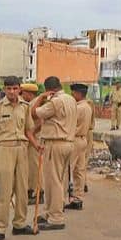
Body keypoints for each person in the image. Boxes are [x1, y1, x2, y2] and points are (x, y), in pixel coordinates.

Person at [0, 76, 41, 240]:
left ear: (19, 89)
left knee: (22, 190)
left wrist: (36, 145)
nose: (12, 92)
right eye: (8, 89)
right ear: (4, 89)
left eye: (15, 88)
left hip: (22, 149)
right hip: (4, 149)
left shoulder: (25, 107)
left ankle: (19, 224)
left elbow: (28, 130)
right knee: (4, 191)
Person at [31, 76, 78, 230]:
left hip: (55, 143)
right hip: (68, 142)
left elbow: (34, 113)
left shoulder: (55, 102)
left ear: (48, 90)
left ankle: (56, 217)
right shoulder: (71, 99)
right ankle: (49, 212)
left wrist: (40, 98)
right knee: (58, 180)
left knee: (54, 182)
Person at [67, 83, 94, 210]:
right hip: (83, 139)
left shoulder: (78, 108)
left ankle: (62, 199)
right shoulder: (87, 106)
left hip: (75, 139)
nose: (72, 95)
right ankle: (78, 198)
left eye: (73, 93)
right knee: (80, 170)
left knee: (68, 170)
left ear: (78, 93)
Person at [20, 83, 43, 202]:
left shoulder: (35, 103)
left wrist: (32, 133)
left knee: (35, 167)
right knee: (29, 167)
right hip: (30, 139)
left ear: (29, 93)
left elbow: (41, 122)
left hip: (35, 139)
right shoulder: (30, 103)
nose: (21, 95)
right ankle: (30, 190)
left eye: (23, 93)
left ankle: (38, 192)